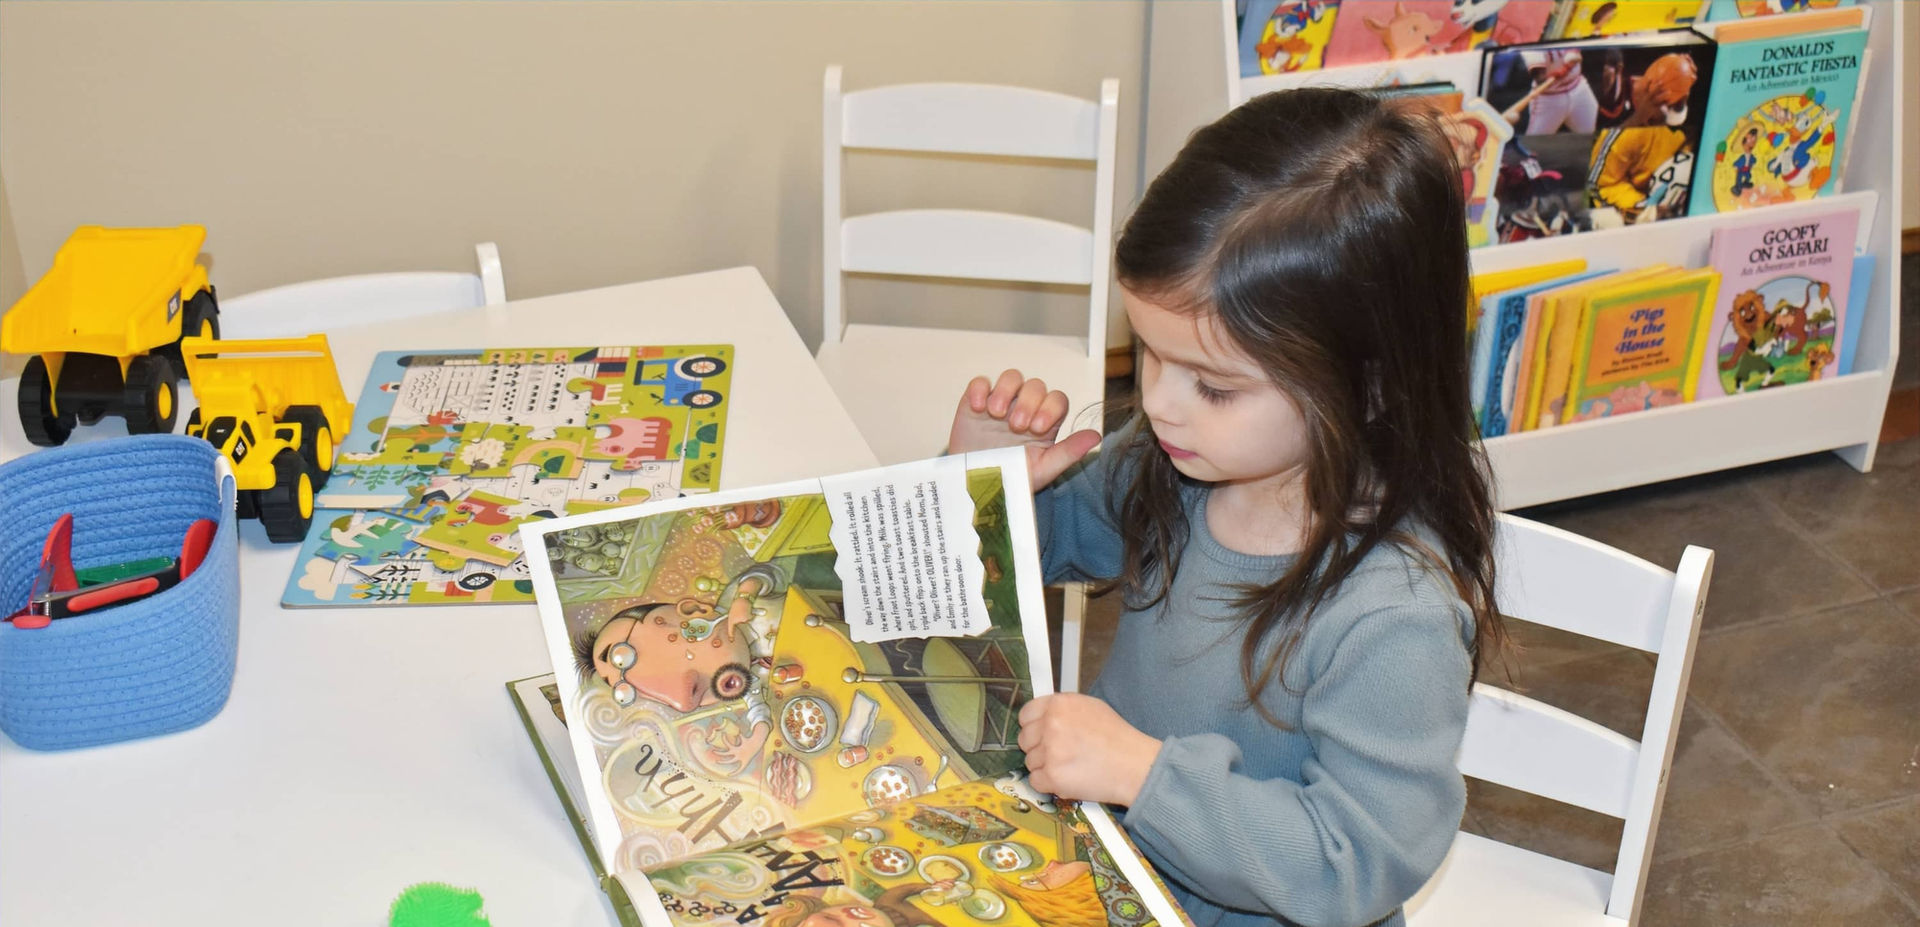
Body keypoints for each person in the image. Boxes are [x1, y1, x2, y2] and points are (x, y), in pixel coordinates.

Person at [947, 88, 1507, 927]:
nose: (1161, 404)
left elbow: (1355, 865)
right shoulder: (1183, 457)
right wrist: (979, 481)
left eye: (1212, 384)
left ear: (1366, 382)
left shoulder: (1395, 617)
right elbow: (1051, 545)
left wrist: (1142, 774)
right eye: (1148, 356)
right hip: (1108, 874)